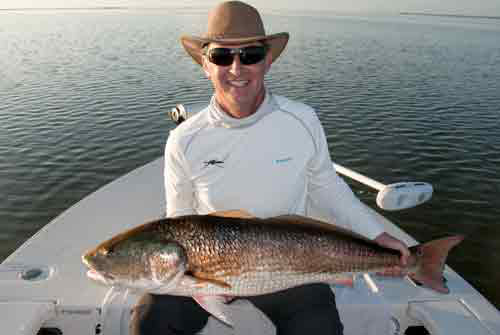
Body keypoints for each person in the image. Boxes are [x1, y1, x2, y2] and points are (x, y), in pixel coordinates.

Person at [130, 1, 409, 335]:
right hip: (209, 266)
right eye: (221, 56)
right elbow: (180, 221)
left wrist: (378, 235)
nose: (236, 68)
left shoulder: (301, 120)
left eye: (250, 55)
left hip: (292, 266)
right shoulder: (183, 140)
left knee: (318, 328)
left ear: (268, 60)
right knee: (150, 321)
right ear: (205, 64)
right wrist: (204, 285)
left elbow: (328, 188)